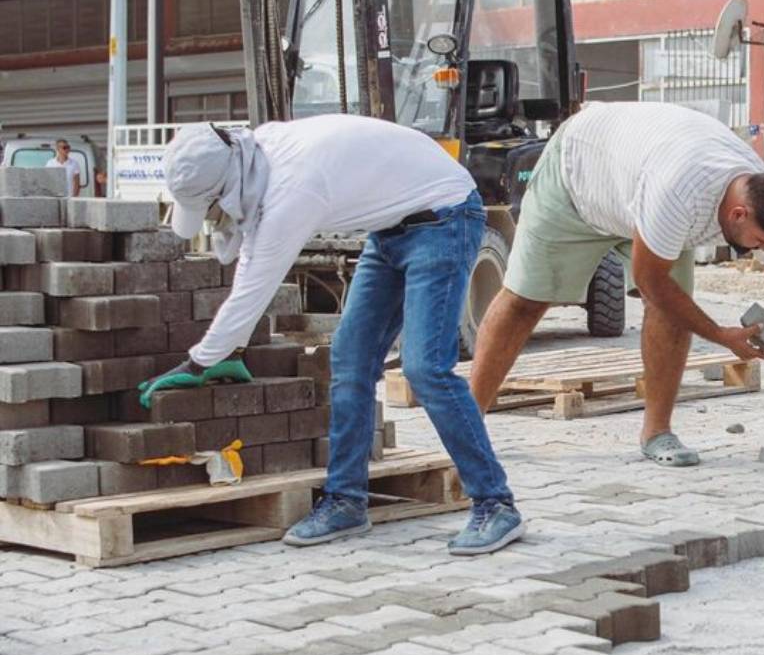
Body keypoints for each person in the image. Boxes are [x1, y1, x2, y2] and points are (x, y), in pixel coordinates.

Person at [137, 116, 524, 556]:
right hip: (391, 229)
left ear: (224, 186)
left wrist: (199, 362)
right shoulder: (254, 156)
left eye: (210, 207)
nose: (213, 217)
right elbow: (249, 255)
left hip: (445, 216)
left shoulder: (293, 187)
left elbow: (255, 282)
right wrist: (229, 347)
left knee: (424, 367)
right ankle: (346, 501)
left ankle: (496, 503)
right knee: (350, 360)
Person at [470, 102, 764, 468]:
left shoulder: (759, 189)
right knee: (526, 300)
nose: (760, 252)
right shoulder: (679, 192)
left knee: (672, 311)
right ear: (738, 214)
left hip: (637, 189)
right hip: (576, 181)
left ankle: (657, 433)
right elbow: (652, 282)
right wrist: (718, 334)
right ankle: (467, 422)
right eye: (759, 242)